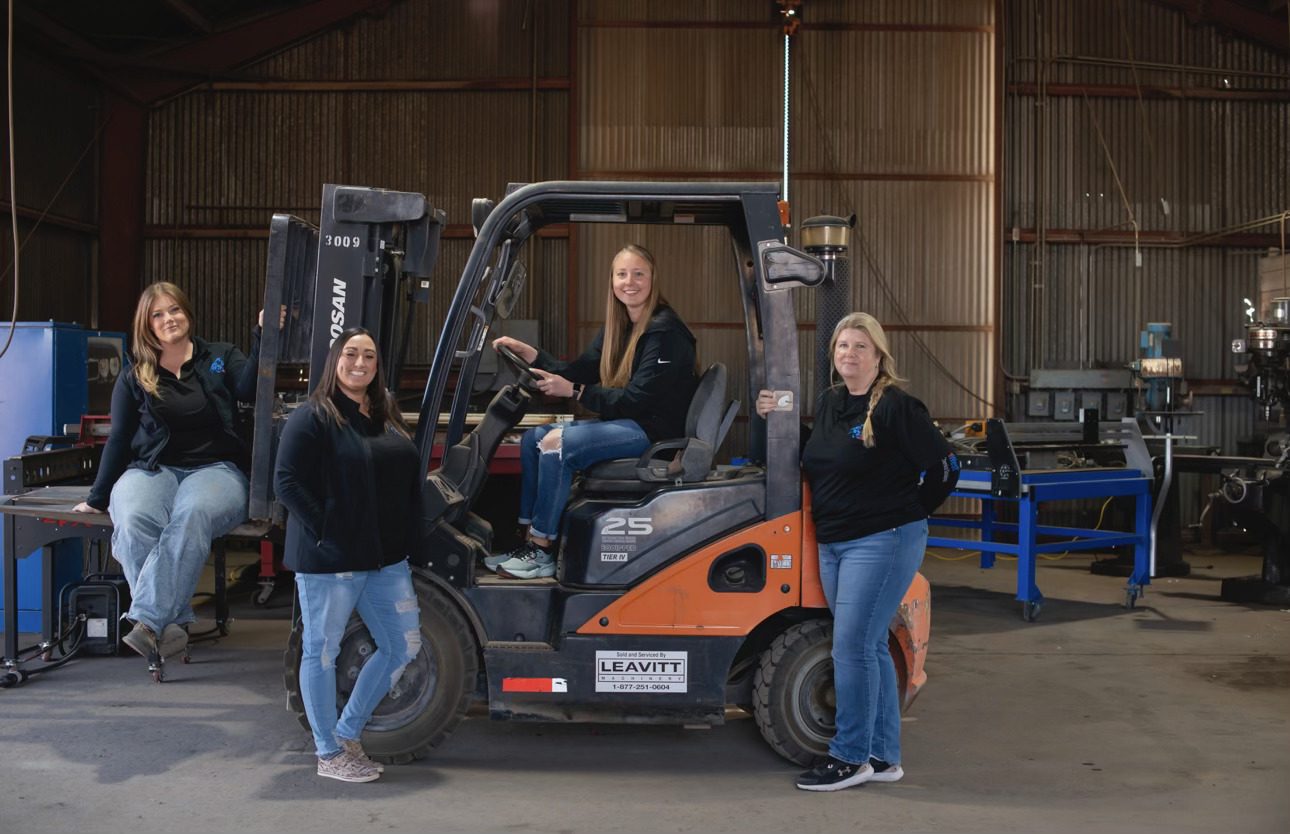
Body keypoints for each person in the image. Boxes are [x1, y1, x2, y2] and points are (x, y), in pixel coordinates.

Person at [757, 312, 959, 792]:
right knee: (867, 647)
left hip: (882, 540)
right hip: (835, 542)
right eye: (843, 346)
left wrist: (909, 512)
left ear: (878, 355)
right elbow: (819, 454)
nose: (850, 354)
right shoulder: (831, 403)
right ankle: (884, 756)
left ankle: (849, 758)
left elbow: (945, 465)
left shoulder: (895, 407)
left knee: (851, 647)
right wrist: (777, 417)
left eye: (860, 347)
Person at [72, 281, 261, 662]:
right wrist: (97, 498)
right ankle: (171, 622)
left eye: (174, 310)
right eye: (158, 314)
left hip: (216, 469)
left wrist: (263, 336)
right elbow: (120, 438)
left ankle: (147, 621)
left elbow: (248, 388)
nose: (168, 319)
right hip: (152, 469)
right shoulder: (134, 375)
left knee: (191, 515)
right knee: (133, 518)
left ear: (187, 313)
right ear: (147, 324)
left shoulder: (219, 356)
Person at [488, 244, 699, 580]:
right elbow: (580, 370)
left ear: (653, 278)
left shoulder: (665, 331)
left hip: (654, 432)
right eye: (622, 274)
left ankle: (542, 550)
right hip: (629, 422)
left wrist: (574, 392)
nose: (630, 282)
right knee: (533, 439)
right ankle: (527, 539)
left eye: (638, 273)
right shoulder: (620, 326)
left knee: (556, 444)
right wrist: (533, 355)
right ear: (612, 280)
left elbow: (634, 400)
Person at [273, 327, 425, 784]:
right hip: (333, 560)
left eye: (370, 357)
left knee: (403, 645)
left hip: (384, 558)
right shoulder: (313, 417)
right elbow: (287, 482)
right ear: (335, 360)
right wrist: (329, 528)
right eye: (351, 354)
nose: (360, 363)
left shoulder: (383, 413)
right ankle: (327, 751)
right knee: (321, 652)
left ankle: (348, 732)